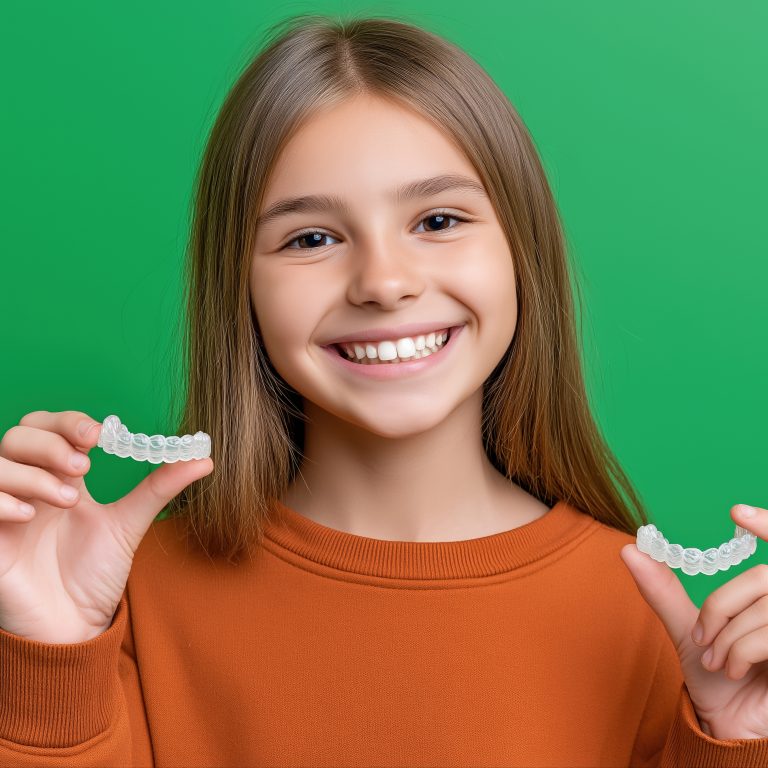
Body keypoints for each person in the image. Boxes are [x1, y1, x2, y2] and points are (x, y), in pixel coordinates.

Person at [1, 13, 767, 768]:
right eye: (311, 238)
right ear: (240, 288)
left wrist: (737, 742)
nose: (384, 282)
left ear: (522, 250)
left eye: (438, 220)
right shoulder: (116, 605)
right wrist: (49, 663)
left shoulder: (654, 627)